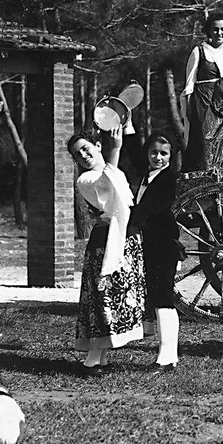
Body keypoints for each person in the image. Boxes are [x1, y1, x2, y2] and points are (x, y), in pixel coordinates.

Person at [67, 127, 146, 374]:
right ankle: (91, 359)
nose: (84, 155)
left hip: (126, 238)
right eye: (78, 155)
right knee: (102, 298)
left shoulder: (118, 172)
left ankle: (100, 356)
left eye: (86, 148)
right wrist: (116, 149)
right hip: (105, 242)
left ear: (97, 145)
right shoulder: (85, 180)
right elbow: (104, 183)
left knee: (118, 297)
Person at [123, 130, 182, 370]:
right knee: (158, 297)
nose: (158, 157)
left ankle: (167, 357)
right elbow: (134, 152)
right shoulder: (148, 173)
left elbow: (152, 207)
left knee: (163, 297)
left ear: (171, 156)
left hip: (163, 243)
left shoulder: (168, 179)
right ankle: (169, 355)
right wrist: (127, 126)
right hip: (151, 242)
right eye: (154, 152)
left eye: (164, 154)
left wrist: (126, 219)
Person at [180, 12, 223, 171]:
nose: (220, 33)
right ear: (209, 31)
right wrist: (189, 110)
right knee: (205, 143)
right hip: (205, 103)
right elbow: (189, 83)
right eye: (216, 29)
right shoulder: (199, 51)